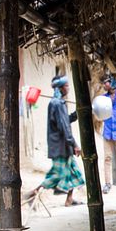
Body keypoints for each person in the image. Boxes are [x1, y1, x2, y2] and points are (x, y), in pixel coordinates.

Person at [29, 74, 84, 208]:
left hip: (63, 145)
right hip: (60, 146)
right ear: (60, 88)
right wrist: (74, 144)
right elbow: (64, 128)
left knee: (73, 172)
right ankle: (35, 192)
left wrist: (78, 113)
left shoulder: (59, 103)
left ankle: (69, 199)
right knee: (58, 174)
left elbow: (66, 120)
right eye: (66, 86)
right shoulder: (57, 104)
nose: (68, 88)